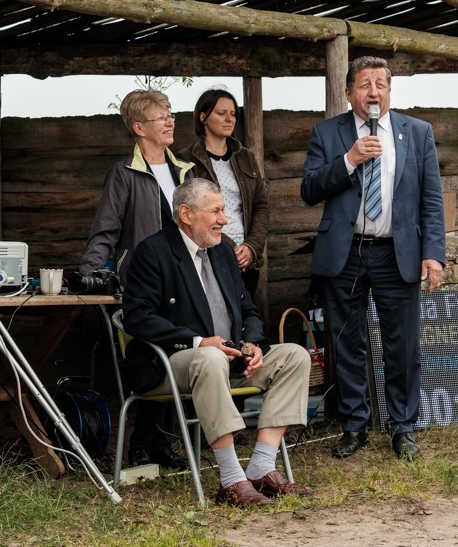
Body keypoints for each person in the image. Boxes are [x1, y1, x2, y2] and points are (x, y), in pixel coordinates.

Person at [122, 178, 312, 506]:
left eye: (223, 211)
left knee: (295, 356)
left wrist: (252, 344)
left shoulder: (223, 251)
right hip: (169, 364)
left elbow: (248, 310)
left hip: (232, 359)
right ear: (186, 214)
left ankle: (261, 467)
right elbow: (137, 317)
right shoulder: (153, 252)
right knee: (210, 358)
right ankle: (231, 479)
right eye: (216, 211)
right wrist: (197, 342)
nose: (224, 220)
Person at [300, 56, 445, 460]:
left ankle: (403, 426)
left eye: (381, 84)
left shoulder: (417, 132)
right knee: (347, 342)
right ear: (349, 93)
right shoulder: (327, 133)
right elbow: (309, 189)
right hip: (345, 252)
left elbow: (431, 199)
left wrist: (434, 254)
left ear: (390, 92)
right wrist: (349, 160)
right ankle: (354, 425)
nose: (374, 91)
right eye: (365, 84)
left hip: (396, 252)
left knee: (402, 344)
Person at [79, 89, 194, 470]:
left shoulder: (185, 172)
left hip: (184, 281)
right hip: (143, 285)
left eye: (171, 114)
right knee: (151, 361)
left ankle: (161, 444)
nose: (171, 122)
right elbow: (105, 231)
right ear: (139, 127)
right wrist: (88, 274)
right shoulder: (124, 174)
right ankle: (142, 446)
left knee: (181, 353)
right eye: (162, 117)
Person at [177, 89, 269, 300]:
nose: (229, 119)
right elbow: (189, 213)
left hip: (247, 258)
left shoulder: (246, 157)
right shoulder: (186, 160)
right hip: (209, 255)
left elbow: (261, 205)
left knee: (245, 313)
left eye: (233, 114)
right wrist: (230, 248)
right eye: (221, 113)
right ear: (203, 117)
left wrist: (251, 247)